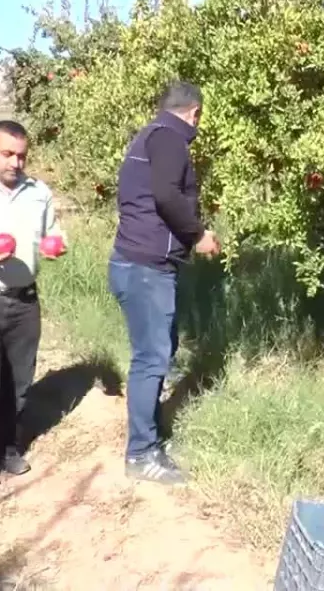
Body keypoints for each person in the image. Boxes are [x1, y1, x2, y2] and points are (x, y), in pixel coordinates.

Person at [108, 81, 220, 485]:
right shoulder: (170, 137)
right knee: (151, 358)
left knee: (158, 352)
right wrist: (197, 233)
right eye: (198, 119)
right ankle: (140, 454)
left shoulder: (151, 135)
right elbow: (166, 196)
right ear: (194, 112)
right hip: (145, 268)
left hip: (141, 264)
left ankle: (149, 440)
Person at [0, 120, 67, 489]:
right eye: (7, 154)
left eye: (21, 156)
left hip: (24, 299)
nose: (15, 163)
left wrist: (55, 244)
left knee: (18, 380)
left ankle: (6, 449)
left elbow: (52, 232)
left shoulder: (39, 192)